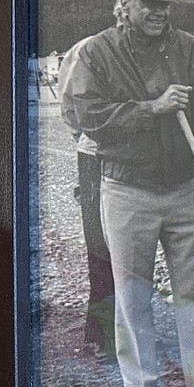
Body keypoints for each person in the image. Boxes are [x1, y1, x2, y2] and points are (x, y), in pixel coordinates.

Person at [61, 0, 194, 387]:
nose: (158, 13)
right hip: (127, 187)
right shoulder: (97, 52)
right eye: (148, 4)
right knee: (132, 292)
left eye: (164, 5)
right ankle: (142, 386)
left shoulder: (191, 50)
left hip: (184, 186)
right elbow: (83, 114)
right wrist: (151, 109)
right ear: (124, 7)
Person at [58, 32, 117, 361]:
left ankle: (132, 334)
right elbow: (70, 108)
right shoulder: (87, 50)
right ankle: (102, 334)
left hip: (144, 162)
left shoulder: (158, 50)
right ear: (123, 10)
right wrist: (88, 141)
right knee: (101, 246)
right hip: (96, 156)